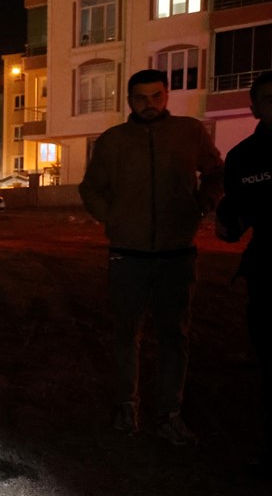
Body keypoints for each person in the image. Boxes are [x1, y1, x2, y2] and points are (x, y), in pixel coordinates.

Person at [79, 69, 224, 444]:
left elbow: (215, 173)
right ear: (129, 101)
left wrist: (202, 205)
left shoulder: (189, 132)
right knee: (127, 334)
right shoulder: (113, 141)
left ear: (166, 96)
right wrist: (113, 218)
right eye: (141, 98)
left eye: (156, 96)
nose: (149, 104)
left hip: (177, 253)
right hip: (128, 255)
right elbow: (91, 188)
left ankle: (169, 414)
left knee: (174, 335)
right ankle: (127, 406)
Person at [214, 71, 272, 474]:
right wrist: (224, 221)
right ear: (254, 108)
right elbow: (233, 222)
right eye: (267, 99)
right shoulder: (244, 158)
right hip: (267, 275)